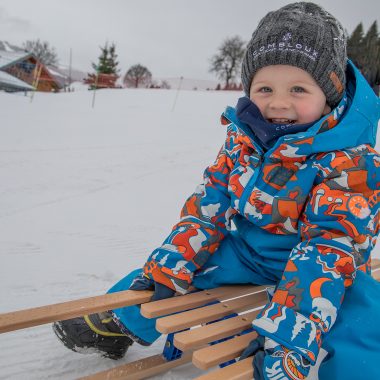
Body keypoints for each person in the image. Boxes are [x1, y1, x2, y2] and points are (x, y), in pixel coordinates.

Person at [53, 2, 380, 378]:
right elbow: (209, 205)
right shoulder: (244, 140)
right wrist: (174, 263)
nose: (278, 103)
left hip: (327, 261)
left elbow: (328, 248)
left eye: (298, 89)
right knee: (167, 271)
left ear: (330, 93)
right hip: (248, 251)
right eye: (265, 87)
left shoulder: (351, 161)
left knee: (367, 319)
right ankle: (119, 321)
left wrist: (289, 338)